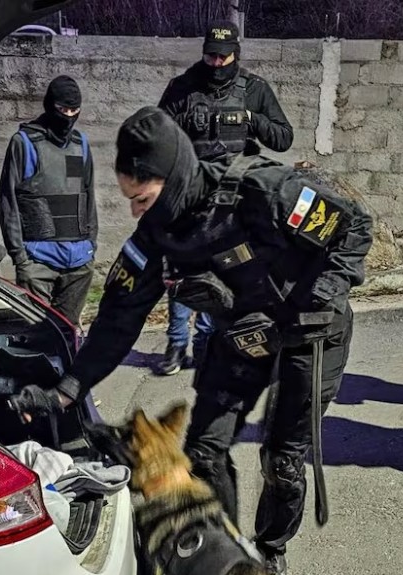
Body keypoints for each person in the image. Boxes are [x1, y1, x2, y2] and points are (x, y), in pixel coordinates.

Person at [11, 108, 372, 575]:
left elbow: (352, 228)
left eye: (142, 198)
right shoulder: (155, 237)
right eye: (130, 201)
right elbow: (117, 318)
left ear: (174, 178)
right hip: (241, 337)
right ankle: (232, 560)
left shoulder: (264, 192)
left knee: (283, 461)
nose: (135, 212)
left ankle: (270, 549)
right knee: (204, 453)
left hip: (309, 335)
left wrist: (317, 296)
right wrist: (66, 390)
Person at [153, 20, 295, 376]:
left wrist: (251, 119)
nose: (216, 64)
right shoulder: (183, 87)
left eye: (223, 58)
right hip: (191, 197)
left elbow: (283, 138)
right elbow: (157, 137)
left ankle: (205, 343)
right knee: (183, 272)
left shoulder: (254, 88)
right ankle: (176, 344)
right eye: (211, 56)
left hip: (234, 200)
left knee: (223, 272)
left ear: (235, 54)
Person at [0, 75, 97, 328]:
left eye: (74, 110)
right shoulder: (25, 143)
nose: (68, 116)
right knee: (37, 335)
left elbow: (86, 197)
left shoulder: (80, 145)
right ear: (50, 106)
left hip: (79, 264)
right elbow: (9, 203)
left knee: (68, 333)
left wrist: (91, 247)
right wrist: (20, 258)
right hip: (38, 263)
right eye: (63, 109)